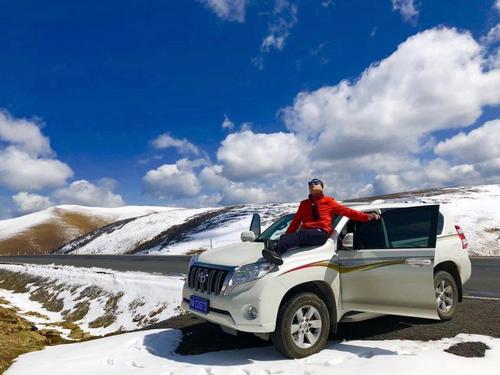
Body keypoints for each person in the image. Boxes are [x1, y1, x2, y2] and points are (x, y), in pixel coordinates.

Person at [262, 178, 380, 265]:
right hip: (306, 235)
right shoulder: (304, 204)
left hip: (320, 233)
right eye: (310, 184)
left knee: (302, 234)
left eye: (315, 183)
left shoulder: (329, 202)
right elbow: (295, 222)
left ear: (322, 187)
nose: (312, 185)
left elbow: (348, 212)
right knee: (294, 236)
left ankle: (275, 250)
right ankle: (275, 249)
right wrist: (286, 236)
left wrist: (367, 217)